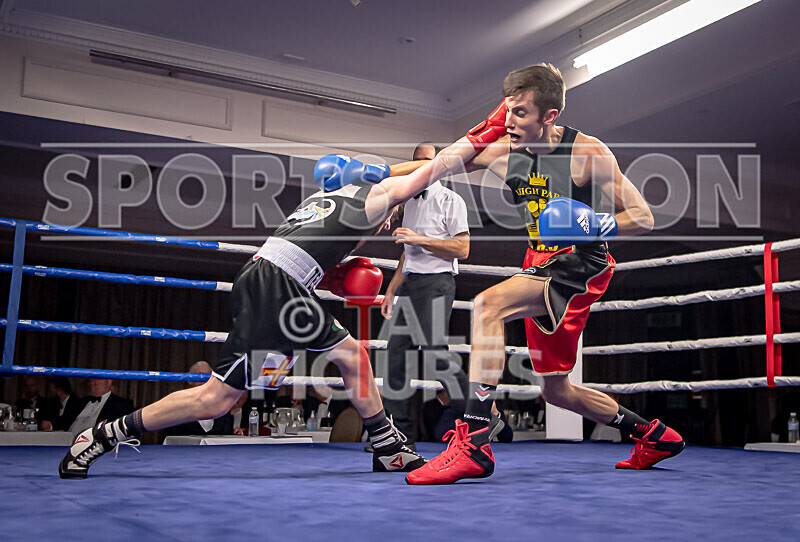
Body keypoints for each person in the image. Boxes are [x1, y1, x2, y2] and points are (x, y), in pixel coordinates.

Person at [59, 146, 465, 479]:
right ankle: (388, 444)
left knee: (216, 399)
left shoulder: (320, 203)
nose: (387, 222)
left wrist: (332, 278)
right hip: (277, 286)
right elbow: (433, 168)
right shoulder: (373, 196)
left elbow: (296, 258)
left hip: (263, 280)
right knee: (351, 354)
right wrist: (486, 142)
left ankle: (104, 434)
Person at [405, 63, 685, 484]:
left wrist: (594, 223)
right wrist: (369, 179)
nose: (507, 121)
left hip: (581, 263)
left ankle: (474, 440)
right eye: (506, 109)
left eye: (520, 113)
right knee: (556, 391)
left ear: (549, 116)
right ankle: (655, 436)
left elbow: (643, 216)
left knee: (487, 306)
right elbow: (436, 167)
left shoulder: (587, 152)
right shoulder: (503, 150)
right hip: (539, 262)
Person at [380, 142, 470, 448]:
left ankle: (475, 416)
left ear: (440, 164)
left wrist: (419, 237)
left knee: (433, 352)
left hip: (437, 283)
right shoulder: (409, 202)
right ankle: (397, 434)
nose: (421, 165)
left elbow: (462, 248)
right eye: (416, 161)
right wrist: (391, 289)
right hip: (411, 284)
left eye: (427, 161)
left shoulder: (450, 199)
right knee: (395, 354)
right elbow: (408, 252)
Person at [163, 362, 236, 437]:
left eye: (206, 376)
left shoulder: (223, 408)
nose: (202, 380)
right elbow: (170, 440)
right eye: (199, 376)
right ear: (190, 380)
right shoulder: (178, 407)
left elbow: (229, 439)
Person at [68, 378, 135, 434]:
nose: (95, 383)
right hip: (65, 441)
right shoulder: (79, 402)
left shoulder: (122, 404)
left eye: (99, 379)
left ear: (109, 382)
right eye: (93, 379)